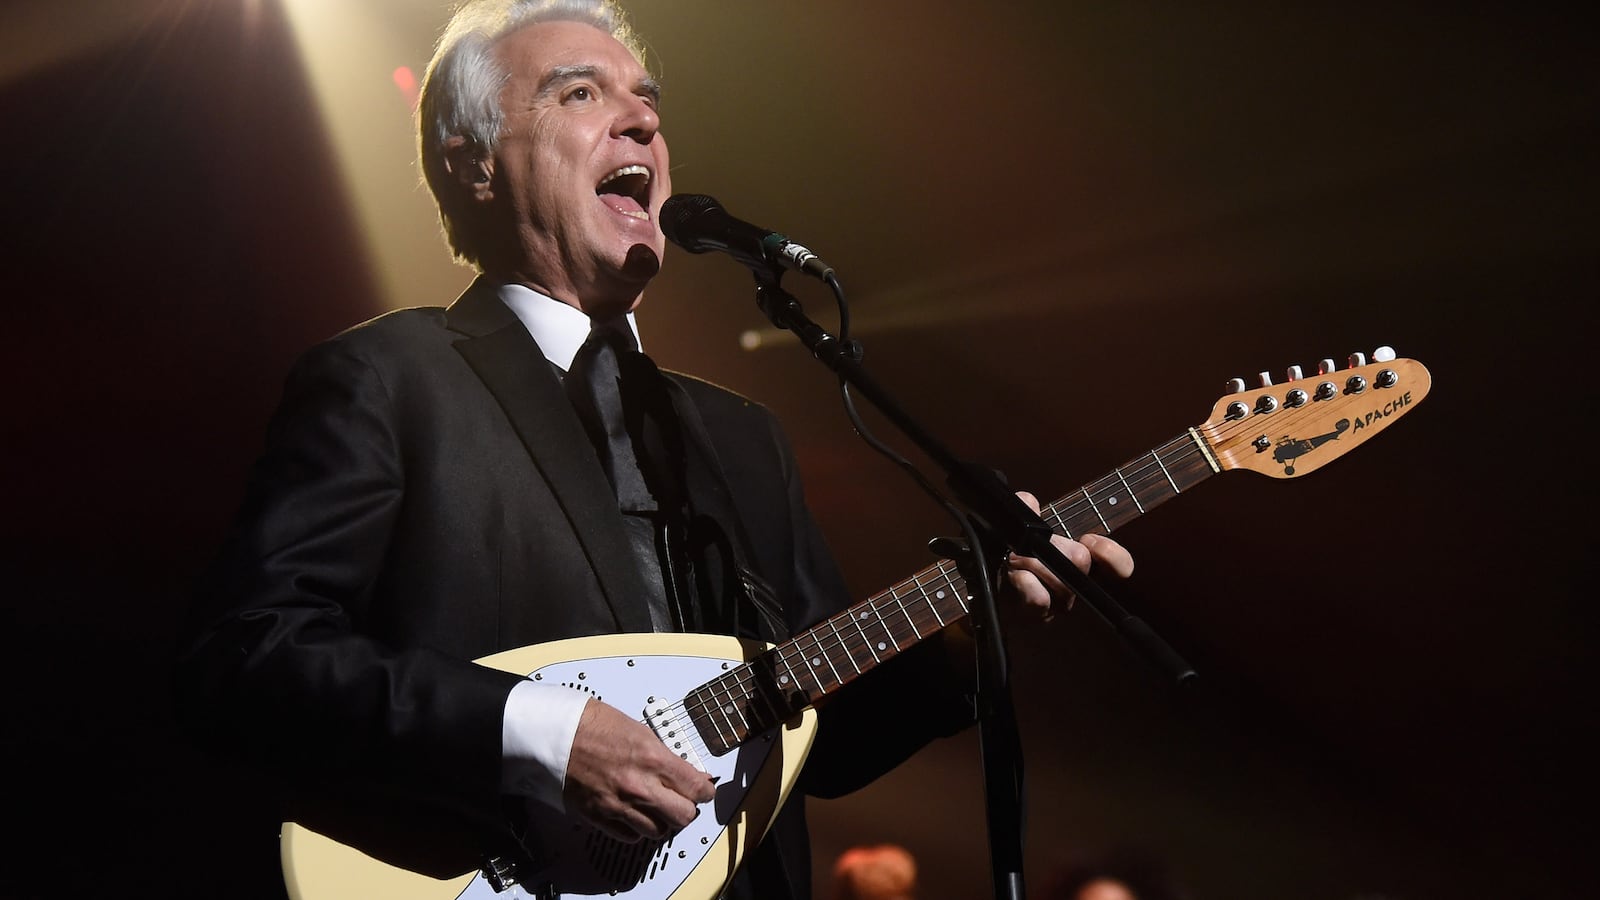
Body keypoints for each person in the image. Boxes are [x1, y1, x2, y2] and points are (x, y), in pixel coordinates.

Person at [173, 2, 1134, 898]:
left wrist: (967, 639)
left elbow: (818, 737)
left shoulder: (741, 439)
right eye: (580, 92)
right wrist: (544, 735)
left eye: (648, 102)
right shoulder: (388, 381)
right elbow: (247, 657)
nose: (639, 121)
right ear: (471, 164)